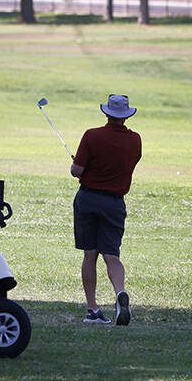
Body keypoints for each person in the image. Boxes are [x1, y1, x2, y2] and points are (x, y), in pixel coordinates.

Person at [70, 94, 142, 326]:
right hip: (114, 202)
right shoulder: (135, 140)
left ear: (107, 113)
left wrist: (84, 166)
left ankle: (92, 309)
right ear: (126, 115)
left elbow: (76, 170)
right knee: (111, 255)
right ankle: (120, 292)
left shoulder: (92, 135)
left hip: (89, 198)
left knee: (90, 254)